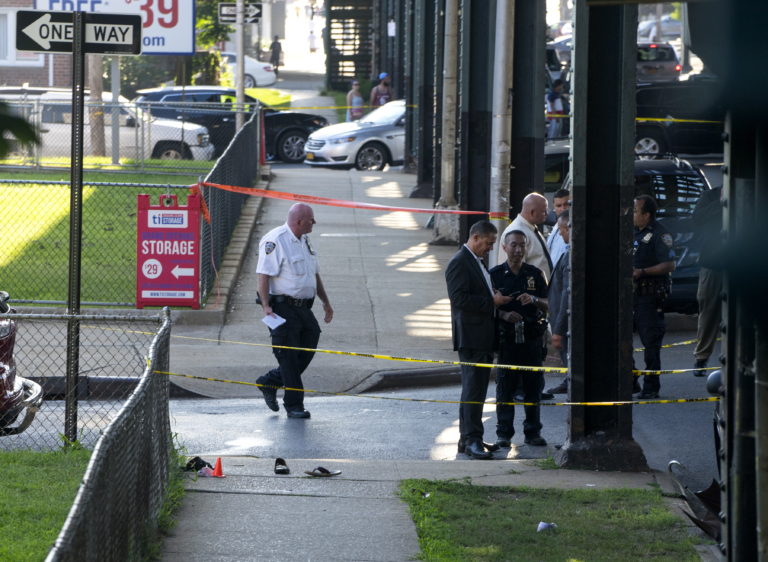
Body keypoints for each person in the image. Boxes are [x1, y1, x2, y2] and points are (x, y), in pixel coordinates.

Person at [255, 203, 334, 418]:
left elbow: (313, 275)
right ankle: (294, 405)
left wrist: (325, 302)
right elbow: (263, 275)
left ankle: (270, 381)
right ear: (299, 221)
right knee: (288, 356)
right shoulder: (276, 240)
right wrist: (266, 307)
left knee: (310, 342)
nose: (314, 222)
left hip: (303, 307)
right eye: (311, 219)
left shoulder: (304, 240)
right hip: (282, 307)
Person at [445, 220, 512, 460]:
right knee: (473, 389)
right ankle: (471, 439)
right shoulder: (460, 263)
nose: (490, 248)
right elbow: (459, 300)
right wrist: (491, 303)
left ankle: (470, 437)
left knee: (477, 388)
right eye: (488, 243)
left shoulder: (476, 262)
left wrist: (492, 297)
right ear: (475, 238)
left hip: (482, 335)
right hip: (472, 336)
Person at [491, 230, 549, 447]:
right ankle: (503, 434)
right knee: (505, 388)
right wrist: (504, 314)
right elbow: (487, 308)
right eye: (513, 245)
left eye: (522, 245)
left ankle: (533, 432)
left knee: (533, 388)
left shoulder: (535, 274)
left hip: (532, 340)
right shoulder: (495, 275)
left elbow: (549, 303)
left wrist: (534, 299)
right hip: (507, 342)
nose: (518, 250)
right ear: (505, 248)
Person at [632, 194, 676, 399]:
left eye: (635, 211)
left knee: (650, 342)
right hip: (632, 296)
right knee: (622, 339)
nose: (632, 215)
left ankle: (651, 385)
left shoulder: (660, 234)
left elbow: (669, 265)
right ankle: (630, 381)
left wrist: (643, 272)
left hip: (650, 296)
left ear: (647, 215)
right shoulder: (633, 232)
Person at [691, 187, 724, 377]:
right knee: (707, 307)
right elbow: (698, 218)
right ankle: (701, 357)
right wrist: (720, 203)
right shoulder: (711, 195)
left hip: (738, 261)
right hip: (712, 261)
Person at [498, 192, 552, 281]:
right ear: (532, 212)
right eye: (544, 211)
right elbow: (512, 271)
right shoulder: (516, 231)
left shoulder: (530, 228)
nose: (546, 214)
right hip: (528, 292)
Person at [545, 211, 571, 394]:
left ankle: (571, 382)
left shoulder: (571, 256)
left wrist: (559, 329)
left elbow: (566, 295)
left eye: (562, 229)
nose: (560, 234)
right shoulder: (567, 251)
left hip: (564, 321)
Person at [546, 188, 570, 272]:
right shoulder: (555, 228)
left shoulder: (573, 228)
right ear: (554, 207)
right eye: (559, 206)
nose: (563, 208)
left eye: (566, 204)